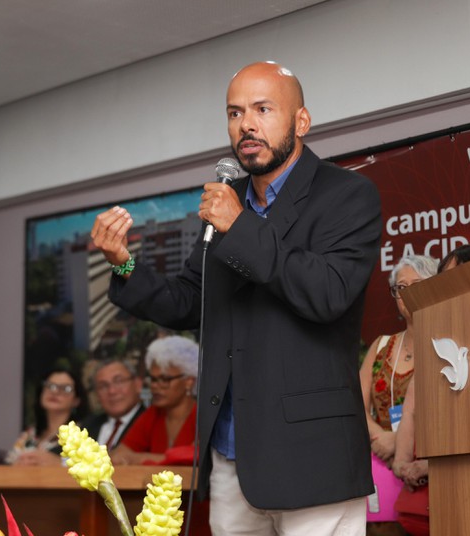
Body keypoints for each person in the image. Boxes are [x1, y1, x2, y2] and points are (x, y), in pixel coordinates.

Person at [91, 61, 382, 536]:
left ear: (301, 121)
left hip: (312, 458)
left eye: (263, 109)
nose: (246, 124)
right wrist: (124, 262)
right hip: (230, 455)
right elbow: (188, 301)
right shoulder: (228, 204)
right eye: (234, 112)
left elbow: (328, 293)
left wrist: (241, 226)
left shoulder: (347, 195)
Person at [392, 243, 470, 536]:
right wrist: (404, 461)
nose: (452, 288)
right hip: (450, 497)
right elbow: (412, 405)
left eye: (460, 275)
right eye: (444, 279)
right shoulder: (439, 331)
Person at [359, 254, 437, 535]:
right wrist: (381, 438)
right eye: (400, 288)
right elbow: (354, 403)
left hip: (433, 476)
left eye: (416, 284)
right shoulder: (381, 345)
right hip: (381, 470)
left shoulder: (449, 344)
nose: (407, 293)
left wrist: (402, 442)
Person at [111, 335, 198, 466]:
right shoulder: (153, 414)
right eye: (153, 379)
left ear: (189, 382)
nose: (155, 386)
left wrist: (139, 458)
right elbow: (118, 455)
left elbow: (196, 458)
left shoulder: (202, 416)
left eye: (165, 379)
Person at [9, 368, 88, 466]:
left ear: (76, 400)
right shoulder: (29, 434)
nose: (55, 392)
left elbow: (88, 468)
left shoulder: (82, 434)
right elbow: (8, 465)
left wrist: (59, 463)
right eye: (50, 386)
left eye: (66, 388)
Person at [79, 359, 146, 451]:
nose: (112, 391)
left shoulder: (151, 423)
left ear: (138, 384)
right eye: (103, 386)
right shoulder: (88, 425)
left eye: (119, 381)